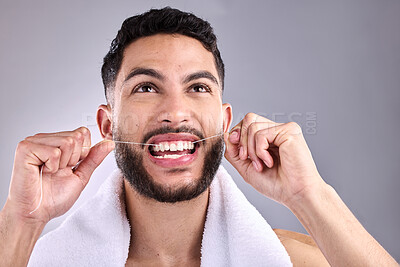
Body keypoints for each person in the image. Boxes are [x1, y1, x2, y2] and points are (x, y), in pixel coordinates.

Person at [0, 7, 397, 267]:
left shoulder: (292, 259)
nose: (175, 112)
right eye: (146, 88)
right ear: (108, 126)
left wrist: (309, 196)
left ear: (224, 124)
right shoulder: (35, 259)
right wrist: (21, 223)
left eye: (198, 87)